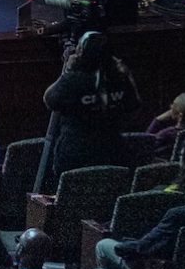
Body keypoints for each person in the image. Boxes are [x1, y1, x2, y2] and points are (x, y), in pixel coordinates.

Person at [40, 30, 142, 184]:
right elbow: (134, 106)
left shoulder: (74, 79)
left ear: (81, 53)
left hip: (76, 153)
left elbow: (50, 100)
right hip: (113, 149)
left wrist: (68, 70)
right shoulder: (120, 78)